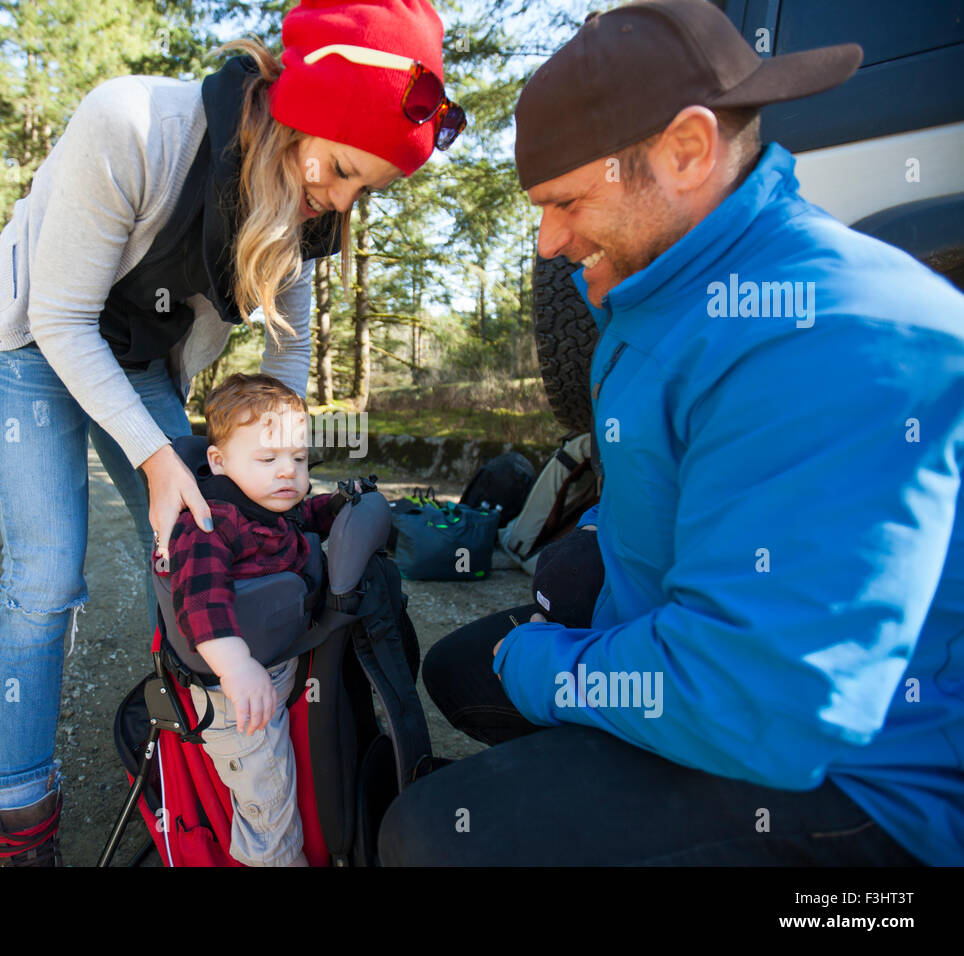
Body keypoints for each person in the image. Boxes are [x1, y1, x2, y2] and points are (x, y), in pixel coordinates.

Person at [380, 0, 964, 866]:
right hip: (691, 645)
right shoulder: (666, 281)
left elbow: (756, 695)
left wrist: (554, 671)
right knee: (462, 669)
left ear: (686, 151)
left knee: (429, 838)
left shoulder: (837, 334)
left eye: (567, 201)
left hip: (850, 775)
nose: (547, 242)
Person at [0, 0, 464, 865]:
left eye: (362, 189)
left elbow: (291, 346)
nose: (338, 203)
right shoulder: (132, 124)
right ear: (303, 113)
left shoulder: (312, 205)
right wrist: (161, 459)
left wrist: (280, 457)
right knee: (46, 576)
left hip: (138, 359)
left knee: (206, 530)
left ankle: (205, 742)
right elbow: (60, 316)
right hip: (33, 338)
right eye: (341, 170)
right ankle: (19, 812)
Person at [165, 374, 350, 866]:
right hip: (236, 697)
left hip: (275, 669)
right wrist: (236, 667)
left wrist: (340, 507)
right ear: (219, 463)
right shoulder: (210, 520)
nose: (287, 473)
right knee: (269, 805)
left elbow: (305, 515)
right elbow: (199, 602)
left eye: (299, 459)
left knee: (293, 779)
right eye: (268, 460)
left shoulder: (270, 500)